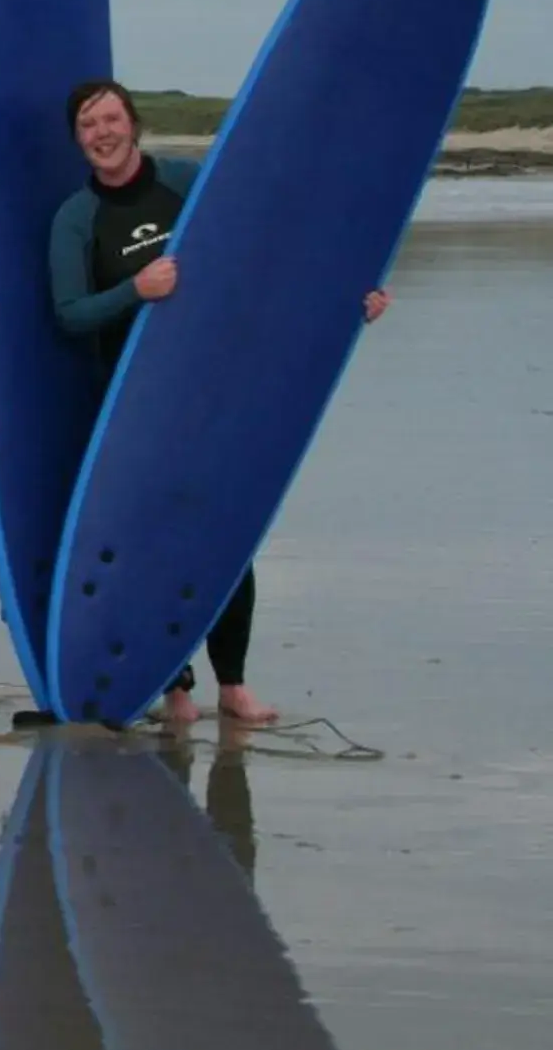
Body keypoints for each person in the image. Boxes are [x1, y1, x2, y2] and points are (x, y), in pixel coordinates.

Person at [47, 78, 388, 727]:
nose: (102, 133)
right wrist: (136, 290)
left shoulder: (187, 182)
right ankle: (173, 686)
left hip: (211, 391)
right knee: (148, 543)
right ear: (77, 139)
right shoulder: (76, 218)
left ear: (134, 122)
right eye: (88, 125)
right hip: (129, 407)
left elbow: (269, 253)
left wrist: (351, 300)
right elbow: (70, 314)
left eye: (111, 118)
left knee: (222, 536)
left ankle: (232, 684)